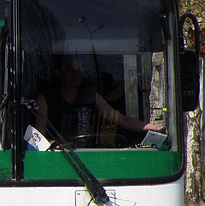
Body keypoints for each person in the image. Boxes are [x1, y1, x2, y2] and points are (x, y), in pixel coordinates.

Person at [34, 55, 164, 147]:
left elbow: (122, 120)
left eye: (78, 70)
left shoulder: (91, 97)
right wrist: (53, 145)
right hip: (59, 158)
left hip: (89, 156)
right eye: (70, 70)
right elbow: (39, 138)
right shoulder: (46, 99)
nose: (75, 74)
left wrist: (152, 127)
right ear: (60, 73)